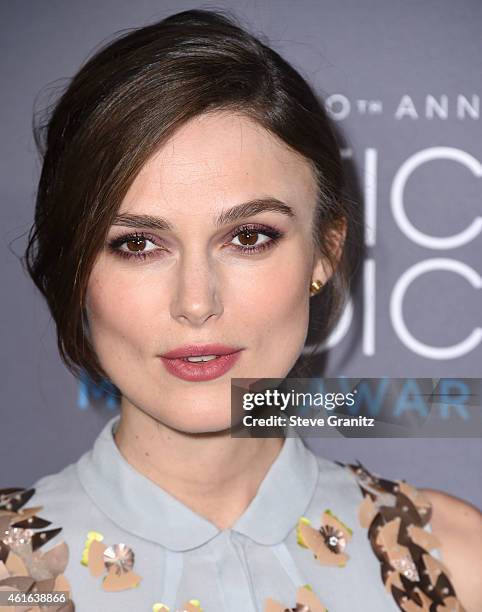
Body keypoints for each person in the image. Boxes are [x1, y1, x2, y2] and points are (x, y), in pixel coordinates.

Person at [2, 8, 481, 612]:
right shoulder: (8, 575)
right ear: (77, 270)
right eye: (138, 244)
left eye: (249, 237)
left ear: (324, 252)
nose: (197, 302)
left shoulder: (453, 561)